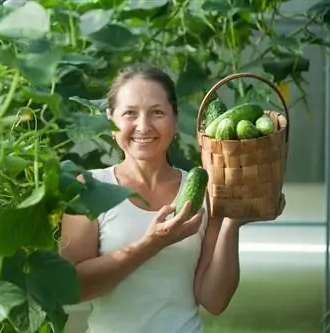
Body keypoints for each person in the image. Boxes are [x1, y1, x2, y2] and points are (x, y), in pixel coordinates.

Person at [59, 63, 286, 333]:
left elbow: (214, 300)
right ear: (110, 120)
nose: (143, 126)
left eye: (157, 113)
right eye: (130, 113)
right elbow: (72, 288)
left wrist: (231, 224)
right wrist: (152, 243)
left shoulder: (206, 190)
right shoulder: (89, 186)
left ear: (175, 120)